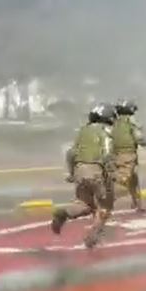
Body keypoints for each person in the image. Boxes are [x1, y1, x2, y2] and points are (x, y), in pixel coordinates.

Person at [51, 104, 116, 248]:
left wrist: (71, 172)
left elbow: (71, 153)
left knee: (84, 204)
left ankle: (64, 212)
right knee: (105, 207)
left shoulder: (83, 131)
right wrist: (112, 172)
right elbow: (107, 155)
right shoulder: (107, 131)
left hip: (80, 169)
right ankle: (93, 237)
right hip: (96, 170)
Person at [112, 99, 146, 213]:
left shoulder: (113, 122)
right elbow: (140, 138)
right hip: (127, 155)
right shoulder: (131, 121)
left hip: (114, 155)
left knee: (133, 180)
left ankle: (137, 204)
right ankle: (101, 204)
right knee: (121, 183)